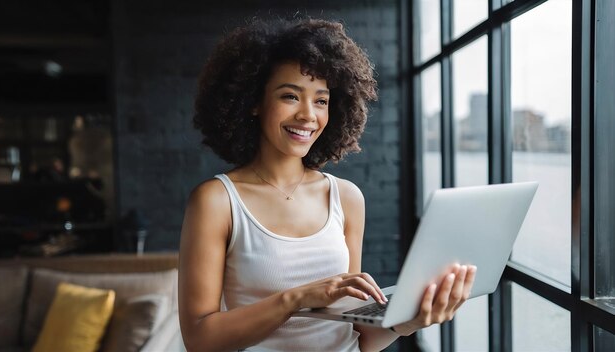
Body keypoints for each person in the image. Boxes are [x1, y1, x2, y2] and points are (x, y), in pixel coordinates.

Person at [179, 18, 477, 351]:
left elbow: (358, 334)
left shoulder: (346, 198)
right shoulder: (217, 201)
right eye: (290, 96)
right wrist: (295, 299)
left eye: (321, 101)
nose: (308, 115)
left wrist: (409, 321)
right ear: (253, 102)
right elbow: (199, 339)